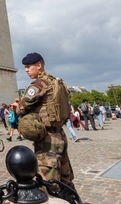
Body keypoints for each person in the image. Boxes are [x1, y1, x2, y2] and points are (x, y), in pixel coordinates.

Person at [17, 52, 75, 188]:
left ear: (39, 65)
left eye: (28, 66)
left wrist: (18, 106)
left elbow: (21, 108)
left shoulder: (39, 84)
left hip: (47, 139)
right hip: (60, 134)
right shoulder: (57, 83)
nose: (26, 70)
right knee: (65, 180)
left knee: (48, 183)